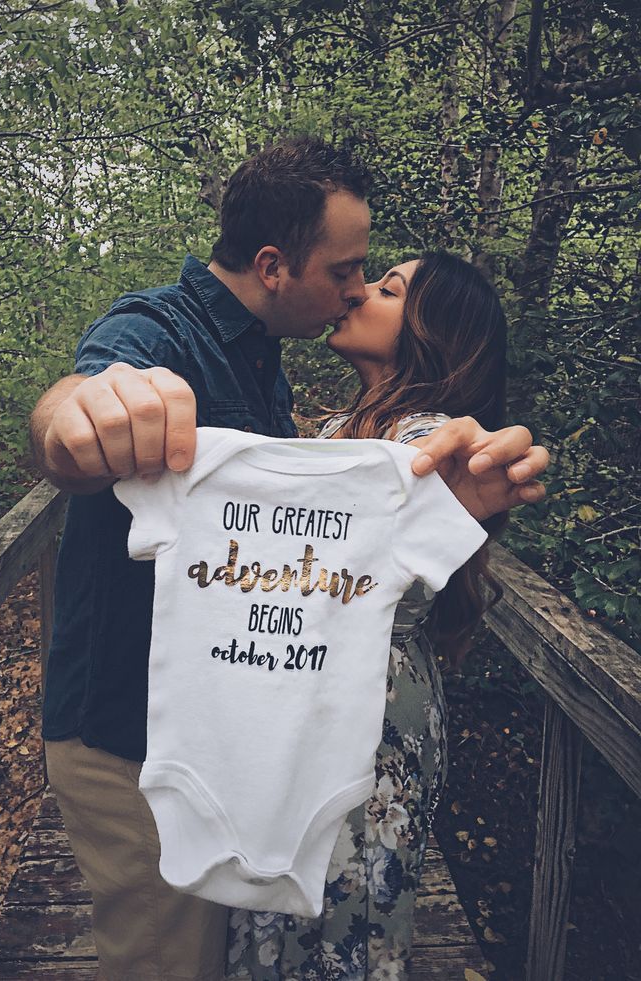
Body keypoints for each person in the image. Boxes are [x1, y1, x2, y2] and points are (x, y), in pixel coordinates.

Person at [29, 136, 548, 981]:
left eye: (376, 279)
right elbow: (78, 402)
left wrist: (449, 501)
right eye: (351, 270)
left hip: (272, 744)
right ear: (274, 266)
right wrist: (78, 413)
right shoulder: (161, 330)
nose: (355, 288)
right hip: (132, 732)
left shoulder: (279, 380)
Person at [224, 250, 512, 979]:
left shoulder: (423, 439)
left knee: (342, 923)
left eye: (388, 289)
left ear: (428, 330)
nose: (358, 292)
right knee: (285, 912)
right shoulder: (340, 427)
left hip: (365, 724)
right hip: (309, 700)